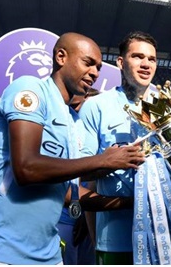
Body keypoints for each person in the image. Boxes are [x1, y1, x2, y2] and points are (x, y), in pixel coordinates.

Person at [0, 32, 145, 265]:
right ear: (61, 57)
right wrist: (103, 161)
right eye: (88, 63)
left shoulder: (72, 121)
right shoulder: (31, 89)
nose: (95, 73)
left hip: (47, 254)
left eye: (97, 66)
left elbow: (67, 193)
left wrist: (132, 202)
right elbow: (26, 169)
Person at [79, 31, 171, 264]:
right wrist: (109, 162)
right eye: (138, 57)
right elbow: (81, 172)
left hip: (169, 231)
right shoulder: (96, 107)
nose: (146, 64)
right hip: (117, 237)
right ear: (121, 62)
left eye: (151, 59)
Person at [57, 88, 101, 265]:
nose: (78, 110)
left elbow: (90, 176)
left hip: (89, 215)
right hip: (64, 217)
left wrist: (85, 215)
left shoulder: (89, 129)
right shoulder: (60, 125)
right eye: (74, 105)